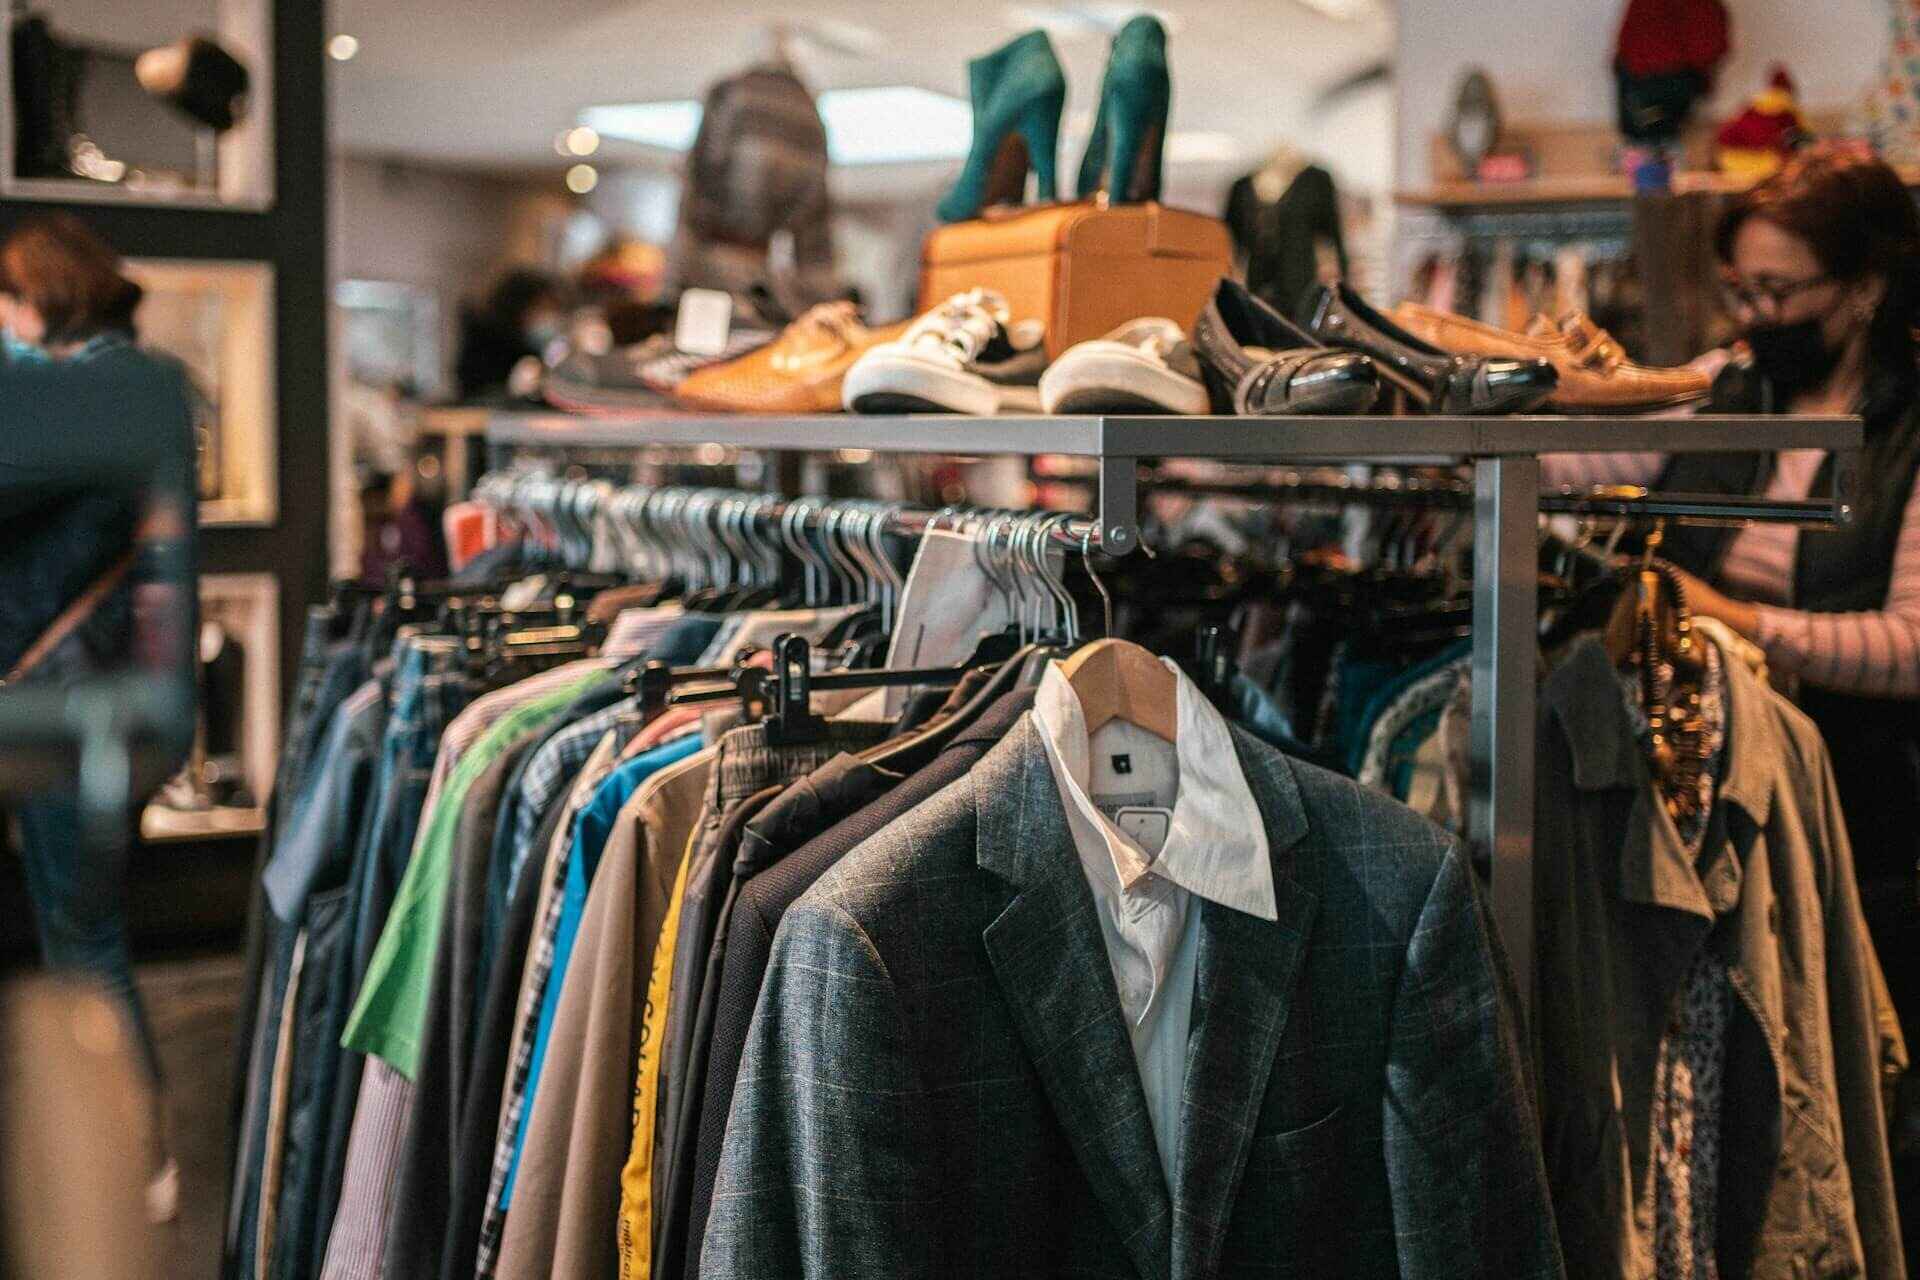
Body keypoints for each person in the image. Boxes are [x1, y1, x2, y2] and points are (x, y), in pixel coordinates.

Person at [1546, 142, 1920, 1260]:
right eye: (1742, 288)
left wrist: (1737, 619)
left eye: (1780, 291)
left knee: (1847, 1067)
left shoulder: (1911, 426)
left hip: (1868, 805)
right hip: (1708, 780)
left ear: (1863, 288)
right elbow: (1577, 477)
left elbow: (1912, 643)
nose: (1755, 314)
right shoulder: (1729, 382)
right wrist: (1568, 396)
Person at [0, 213, 198, 1221]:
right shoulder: (132, 384)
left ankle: (133, 1155)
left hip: (71, 705)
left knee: (83, 933)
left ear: (41, 295)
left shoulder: (91, 391)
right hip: (99, 697)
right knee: (83, 925)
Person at [453, 268, 566, 400]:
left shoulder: (538, 350)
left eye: (553, 310)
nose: (549, 319)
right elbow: (472, 396)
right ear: (520, 309)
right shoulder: (485, 347)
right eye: (542, 309)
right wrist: (510, 389)